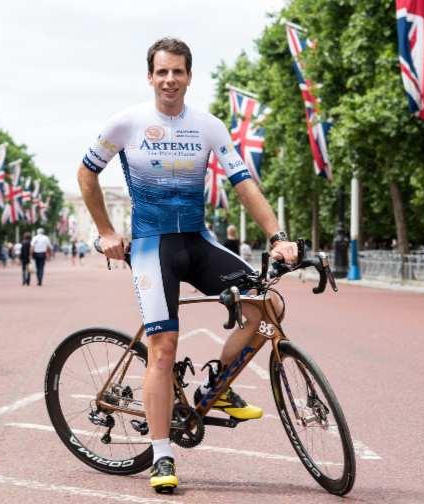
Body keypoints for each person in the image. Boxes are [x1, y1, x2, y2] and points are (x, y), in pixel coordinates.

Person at [77, 37, 298, 494]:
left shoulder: (208, 126)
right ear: (150, 76)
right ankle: (161, 455)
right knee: (163, 346)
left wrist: (278, 237)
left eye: (178, 71)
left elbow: (244, 185)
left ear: (189, 76)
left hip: (196, 241)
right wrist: (105, 231)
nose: (170, 79)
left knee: (268, 305)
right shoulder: (128, 123)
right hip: (151, 246)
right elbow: (86, 172)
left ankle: (214, 387)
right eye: (162, 72)